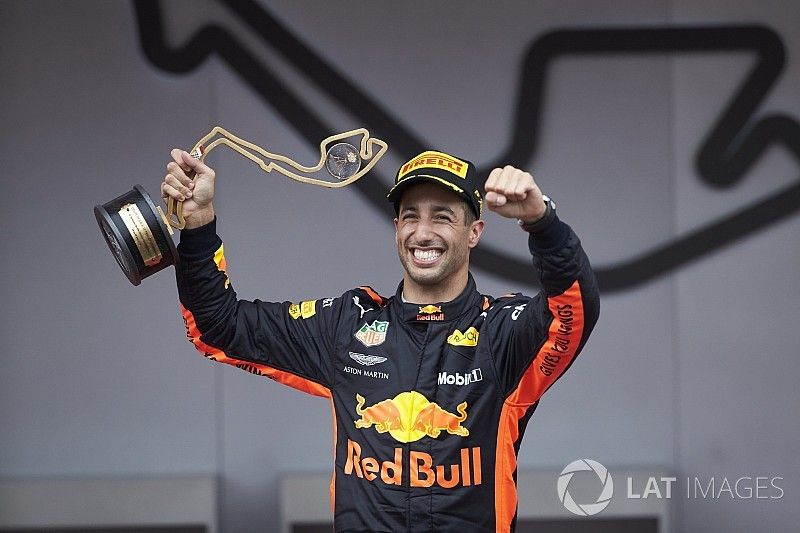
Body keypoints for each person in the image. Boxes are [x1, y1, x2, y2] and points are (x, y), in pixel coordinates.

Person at [161, 148, 599, 532]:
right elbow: (218, 327)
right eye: (411, 215)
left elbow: (575, 310)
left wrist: (542, 223)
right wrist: (198, 225)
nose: (423, 232)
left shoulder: (503, 332)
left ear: (474, 232)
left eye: (443, 216)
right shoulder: (346, 325)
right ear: (396, 228)